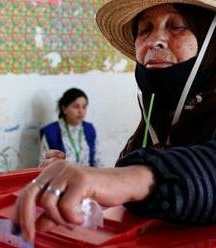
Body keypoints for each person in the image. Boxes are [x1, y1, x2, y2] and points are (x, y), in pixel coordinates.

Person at [13, 0, 216, 242]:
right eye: (145, 29)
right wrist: (85, 186)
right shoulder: (156, 121)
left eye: (177, 26)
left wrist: (127, 180)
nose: (154, 40)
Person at [40, 88, 100, 167]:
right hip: (61, 178)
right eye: (76, 107)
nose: (81, 111)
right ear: (64, 109)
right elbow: (42, 165)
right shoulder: (51, 132)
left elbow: (97, 160)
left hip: (88, 177)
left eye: (84, 107)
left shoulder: (90, 129)